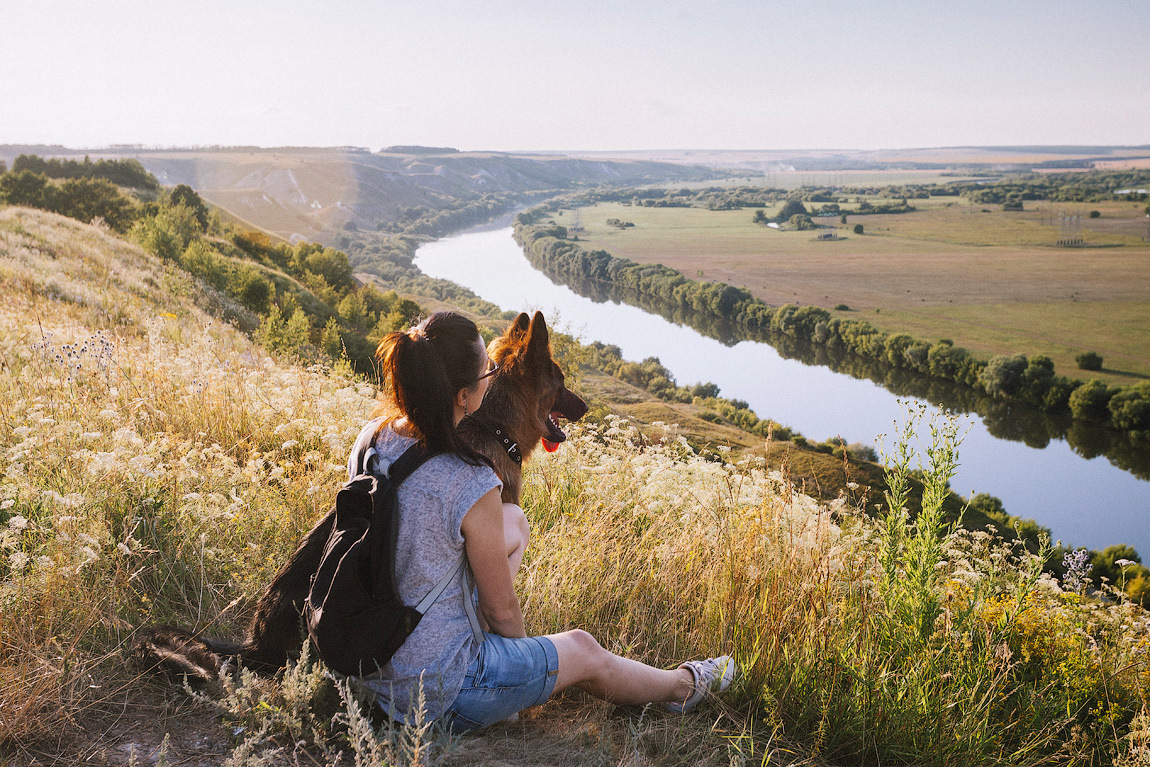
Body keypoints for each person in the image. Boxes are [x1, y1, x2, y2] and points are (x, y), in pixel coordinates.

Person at [348, 311, 736, 732]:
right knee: (584, 650)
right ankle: (685, 686)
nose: (493, 377)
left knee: (513, 520)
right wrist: (522, 678)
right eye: (487, 371)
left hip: (364, 662)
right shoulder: (470, 478)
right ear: (463, 395)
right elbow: (502, 608)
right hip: (435, 694)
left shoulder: (374, 436)